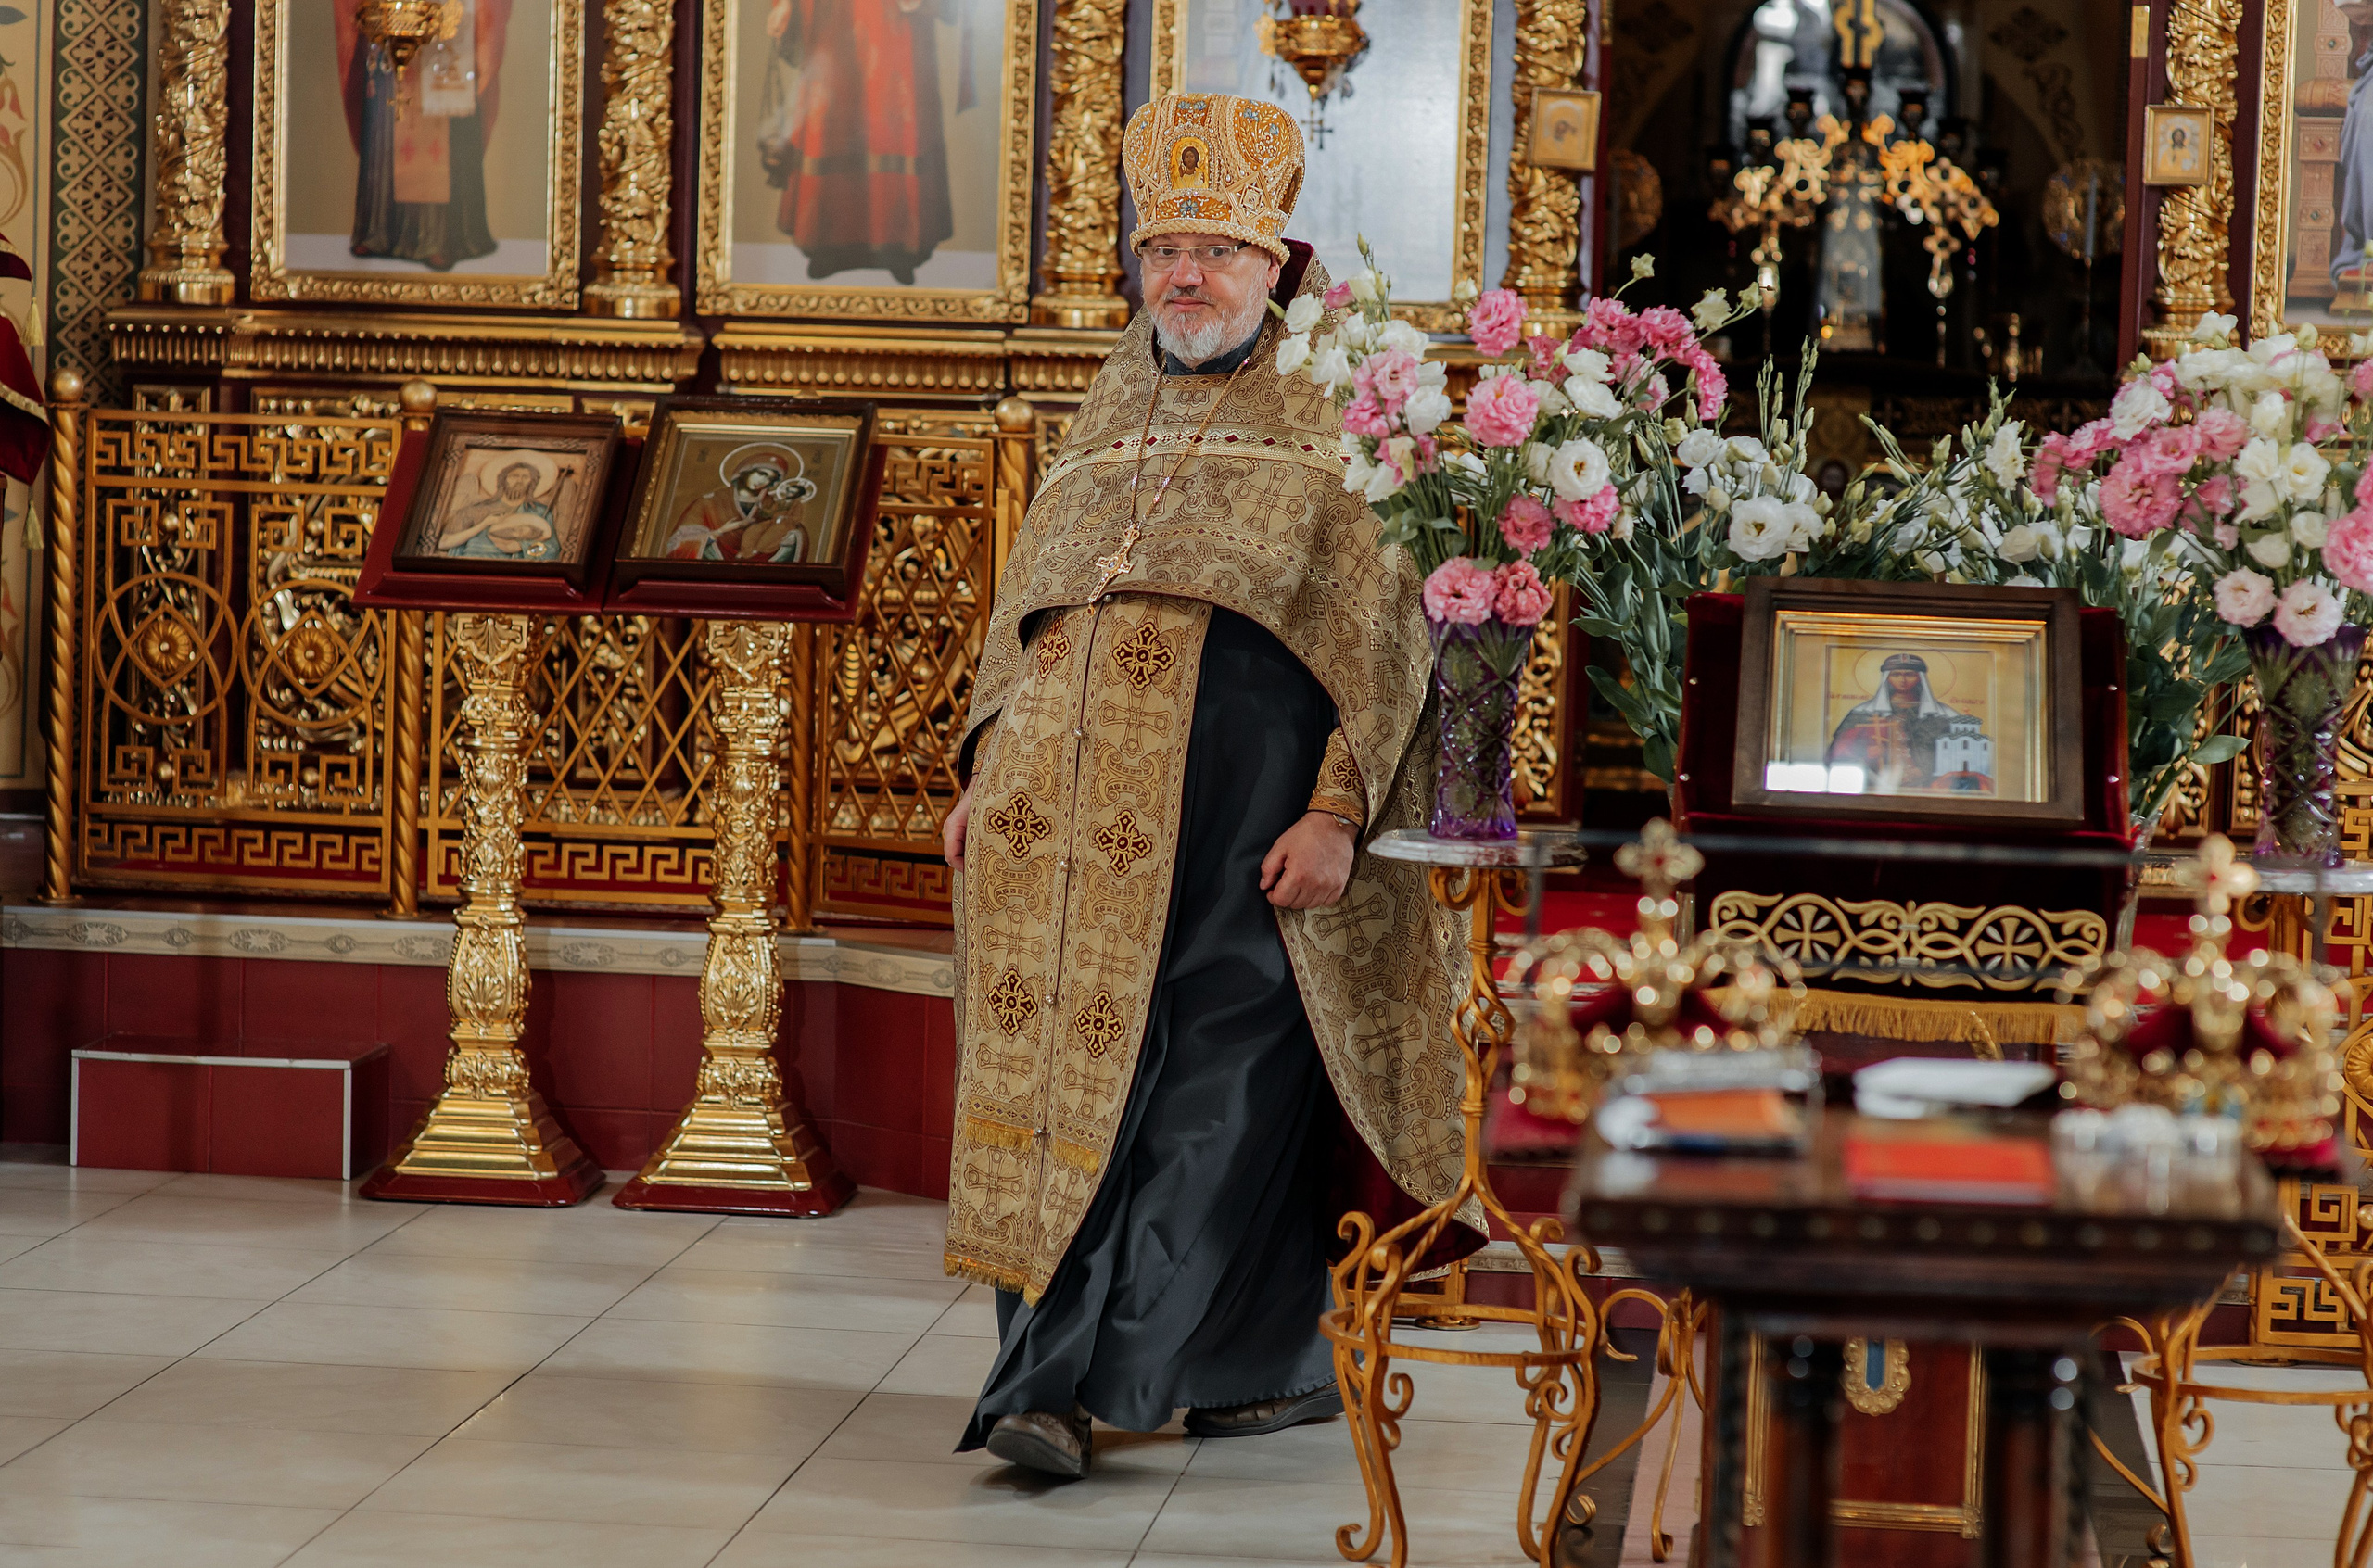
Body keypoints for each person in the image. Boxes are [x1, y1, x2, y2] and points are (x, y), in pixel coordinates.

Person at [938, 91, 1473, 1481]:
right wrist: (986, 763)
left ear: (1275, 264)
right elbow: (1028, 620)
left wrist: (1339, 812)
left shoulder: (1336, 422)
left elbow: (1390, 644)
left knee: (1209, 1090)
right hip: (1055, 836)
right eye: (1163, 245)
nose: (1184, 273)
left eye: (1216, 250)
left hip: (1243, 817)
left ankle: (1069, 1388)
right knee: (1066, 1095)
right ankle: (1259, 1363)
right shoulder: (1101, 417)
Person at [757, 0, 971, 283]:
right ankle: (826, 245)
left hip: (897, 18)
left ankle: (901, 247)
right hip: (832, 16)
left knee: (895, 117)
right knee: (830, 116)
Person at [336, 0, 511, 271]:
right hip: (391, 22)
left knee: (440, 125)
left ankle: (438, 238)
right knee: (389, 113)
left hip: (444, 25)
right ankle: (378, 230)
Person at [1825, 651, 1976, 793]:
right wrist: (1865, 753)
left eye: (1909, 675)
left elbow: (1963, 754)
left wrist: (1925, 769)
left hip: (1929, 789)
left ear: (1919, 677)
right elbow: (1837, 753)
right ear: (1887, 677)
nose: (1902, 680)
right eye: (1896, 674)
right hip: (1874, 787)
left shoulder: (1943, 715)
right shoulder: (1863, 713)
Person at [663, 447, 818, 563]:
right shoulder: (710, 502)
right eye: (761, 474)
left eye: (770, 480)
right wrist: (721, 531)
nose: (763, 482)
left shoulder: (771, 503)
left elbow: (791, 524)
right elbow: (678, 543)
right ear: (745, 471)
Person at [438, 455, 558, 560]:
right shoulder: (475, 510)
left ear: (532, 483)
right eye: (514, 476)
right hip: (473, 564)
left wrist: (523, 547)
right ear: (502, 481)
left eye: (525, 477)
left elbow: (552, 549)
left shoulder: (539, 512)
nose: (519, 481)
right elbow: (444, 543)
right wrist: (484, 524)